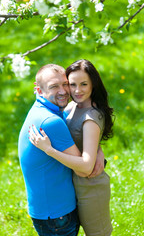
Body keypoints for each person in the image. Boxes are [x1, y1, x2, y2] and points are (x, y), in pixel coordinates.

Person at [29, 59, 114, 236]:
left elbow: (86, 166)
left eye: (84, 84)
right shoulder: (72, 106)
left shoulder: (91, 116)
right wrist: (98, 149)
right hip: (73, 187)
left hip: (91, 187)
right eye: (72, 84)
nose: (77, 90)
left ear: (93, 85)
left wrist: (49, 150)